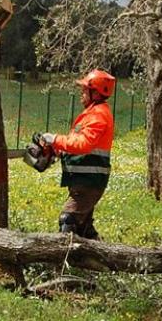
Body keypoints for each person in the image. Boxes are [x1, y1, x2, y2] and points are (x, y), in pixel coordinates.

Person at [40, 69, 116, 240]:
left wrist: (55, 139)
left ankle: (63, 262)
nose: (81, 93)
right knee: (85, 230)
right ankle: (102, 262)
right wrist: (57, 150)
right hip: (84, 181)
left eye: (84, 90)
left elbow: (83, 144)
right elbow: (76, 142)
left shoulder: (99, 116)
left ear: (96, 93)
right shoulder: (91, 114)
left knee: (68, 220)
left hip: (89, 181)